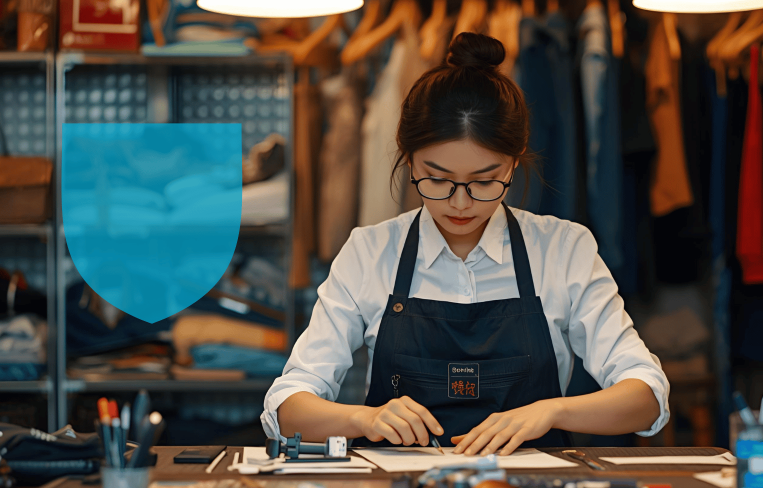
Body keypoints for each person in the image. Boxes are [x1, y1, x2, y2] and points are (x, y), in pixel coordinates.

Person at [262, 32, 669, 456]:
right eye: (436, 179)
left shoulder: (563, 249)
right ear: (408, 157)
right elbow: (287, 406)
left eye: (484, 181)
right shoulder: (370, 252)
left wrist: (552, 411)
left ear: (514, 161)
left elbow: (647, 397)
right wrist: (362, 419)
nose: (460, 203)